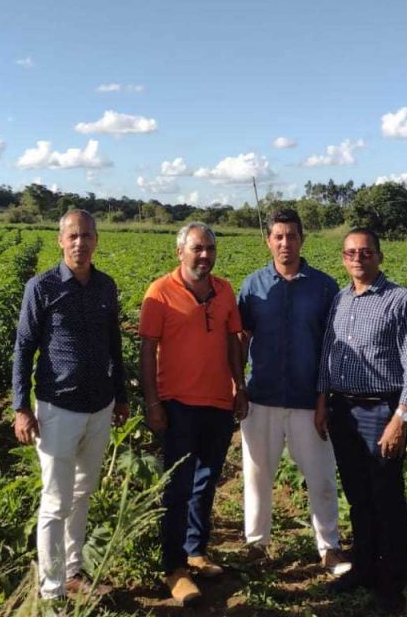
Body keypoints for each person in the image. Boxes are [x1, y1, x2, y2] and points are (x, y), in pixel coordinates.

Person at [11, 209, 130, 601]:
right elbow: (23, 348)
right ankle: (50, 590)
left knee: (82, 493)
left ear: (97, 240)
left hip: (99, 407)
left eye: (87, 236)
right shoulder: (42, 287)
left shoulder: (106, 287)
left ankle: (73, 571)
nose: (80, 243)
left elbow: (115, 344)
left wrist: (122, 397)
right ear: (61, 240)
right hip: (57, 409)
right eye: (73, 236)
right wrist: (20, 406)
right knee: (56, 500)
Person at [315, 228, 407, 612]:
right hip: (342, 410)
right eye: (350, 253)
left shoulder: (402, 301)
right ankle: (364, 566)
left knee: (386, 495)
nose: (357, 259)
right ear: (343, 258)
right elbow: (327, 356)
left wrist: (401, 417)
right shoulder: (339, 300)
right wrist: (322, 401)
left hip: (382, 410)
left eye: (365, 253)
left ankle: (393, 577)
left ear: (379, 256)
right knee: (357, 493)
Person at [139, 222, 248, 606]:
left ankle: (196, 551)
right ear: (180, 252)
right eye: (197, 249)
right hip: (178, 404)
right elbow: (147, 352)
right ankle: (174, 568)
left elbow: (234, 341)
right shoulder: (160, 292)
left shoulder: (224, 290)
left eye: (210, 249)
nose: (205, 256)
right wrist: (152, 402)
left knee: (206, 481)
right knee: (179, 486)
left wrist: (240, 385)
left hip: (218, 402)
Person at [237, 209, 349, 573]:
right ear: (268, 240)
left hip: (306, 400)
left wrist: (323, 400)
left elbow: (331, 347)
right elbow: (242, 339)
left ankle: (329, 547)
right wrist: (236, 386)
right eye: (278, 236)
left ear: (303, 239)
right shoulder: (253, 286)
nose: (285, 243)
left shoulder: (324, 287)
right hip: (261, 397)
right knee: (257, 476)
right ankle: (257, 545)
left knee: (321, 478)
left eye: (292, 236)